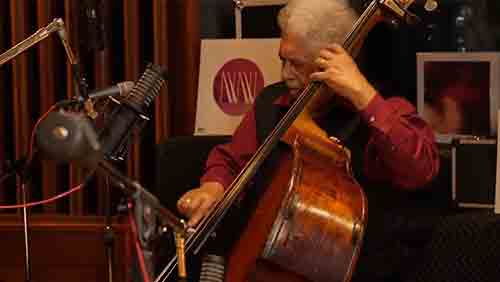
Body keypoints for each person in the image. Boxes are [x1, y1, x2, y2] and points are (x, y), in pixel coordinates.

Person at [176, 0, 440, 281]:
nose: (285, 74)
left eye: (297, 64)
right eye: (283, 60)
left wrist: (362, 94)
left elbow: (421, 169)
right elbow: (231, 159)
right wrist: (213, 187)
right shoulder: (271, 102)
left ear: (337, 62)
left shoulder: (385, 110)